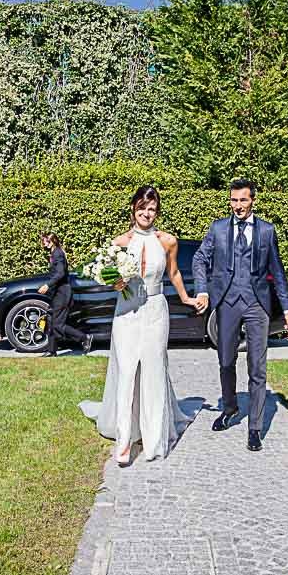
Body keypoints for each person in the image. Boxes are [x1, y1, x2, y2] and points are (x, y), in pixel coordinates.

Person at [79, 186, 200, 464]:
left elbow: (174, 272)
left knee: (154, 369)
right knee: (126, 372)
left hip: (156, 310)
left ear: (157, 211)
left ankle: (153, 436)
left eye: (152, 209)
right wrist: (115, 282)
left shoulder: (168, 241)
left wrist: (186, 298)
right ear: (133, 208)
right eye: (143, 207)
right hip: (127, 312)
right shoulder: (120, 242)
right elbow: (107, 273)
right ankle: (124, 440)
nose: (147, 213)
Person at [191, 178, 288, 452]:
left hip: (256, 305)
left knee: (257, 367)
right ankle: (229, 408)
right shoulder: (218, 228)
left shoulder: (266, 231)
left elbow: (278, 269)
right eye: (234, 200)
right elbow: (200, 258)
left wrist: (287, 307)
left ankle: (255, 428)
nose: (238, 206)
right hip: (227, 302)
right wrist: (203, 290)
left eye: (243, 200)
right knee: (226, 360)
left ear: (253, 201)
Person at [39, 233, 93, 357]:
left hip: (62, 293)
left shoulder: (57, 253)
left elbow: (60, 273)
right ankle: (51, 351)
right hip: (57, 293)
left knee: (58, 324)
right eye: (43, 240)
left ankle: (84, 338)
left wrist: (47, 285)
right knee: (52, 320)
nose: (43, 243)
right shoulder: (54, 253)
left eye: (45, 240)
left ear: (52, 240)